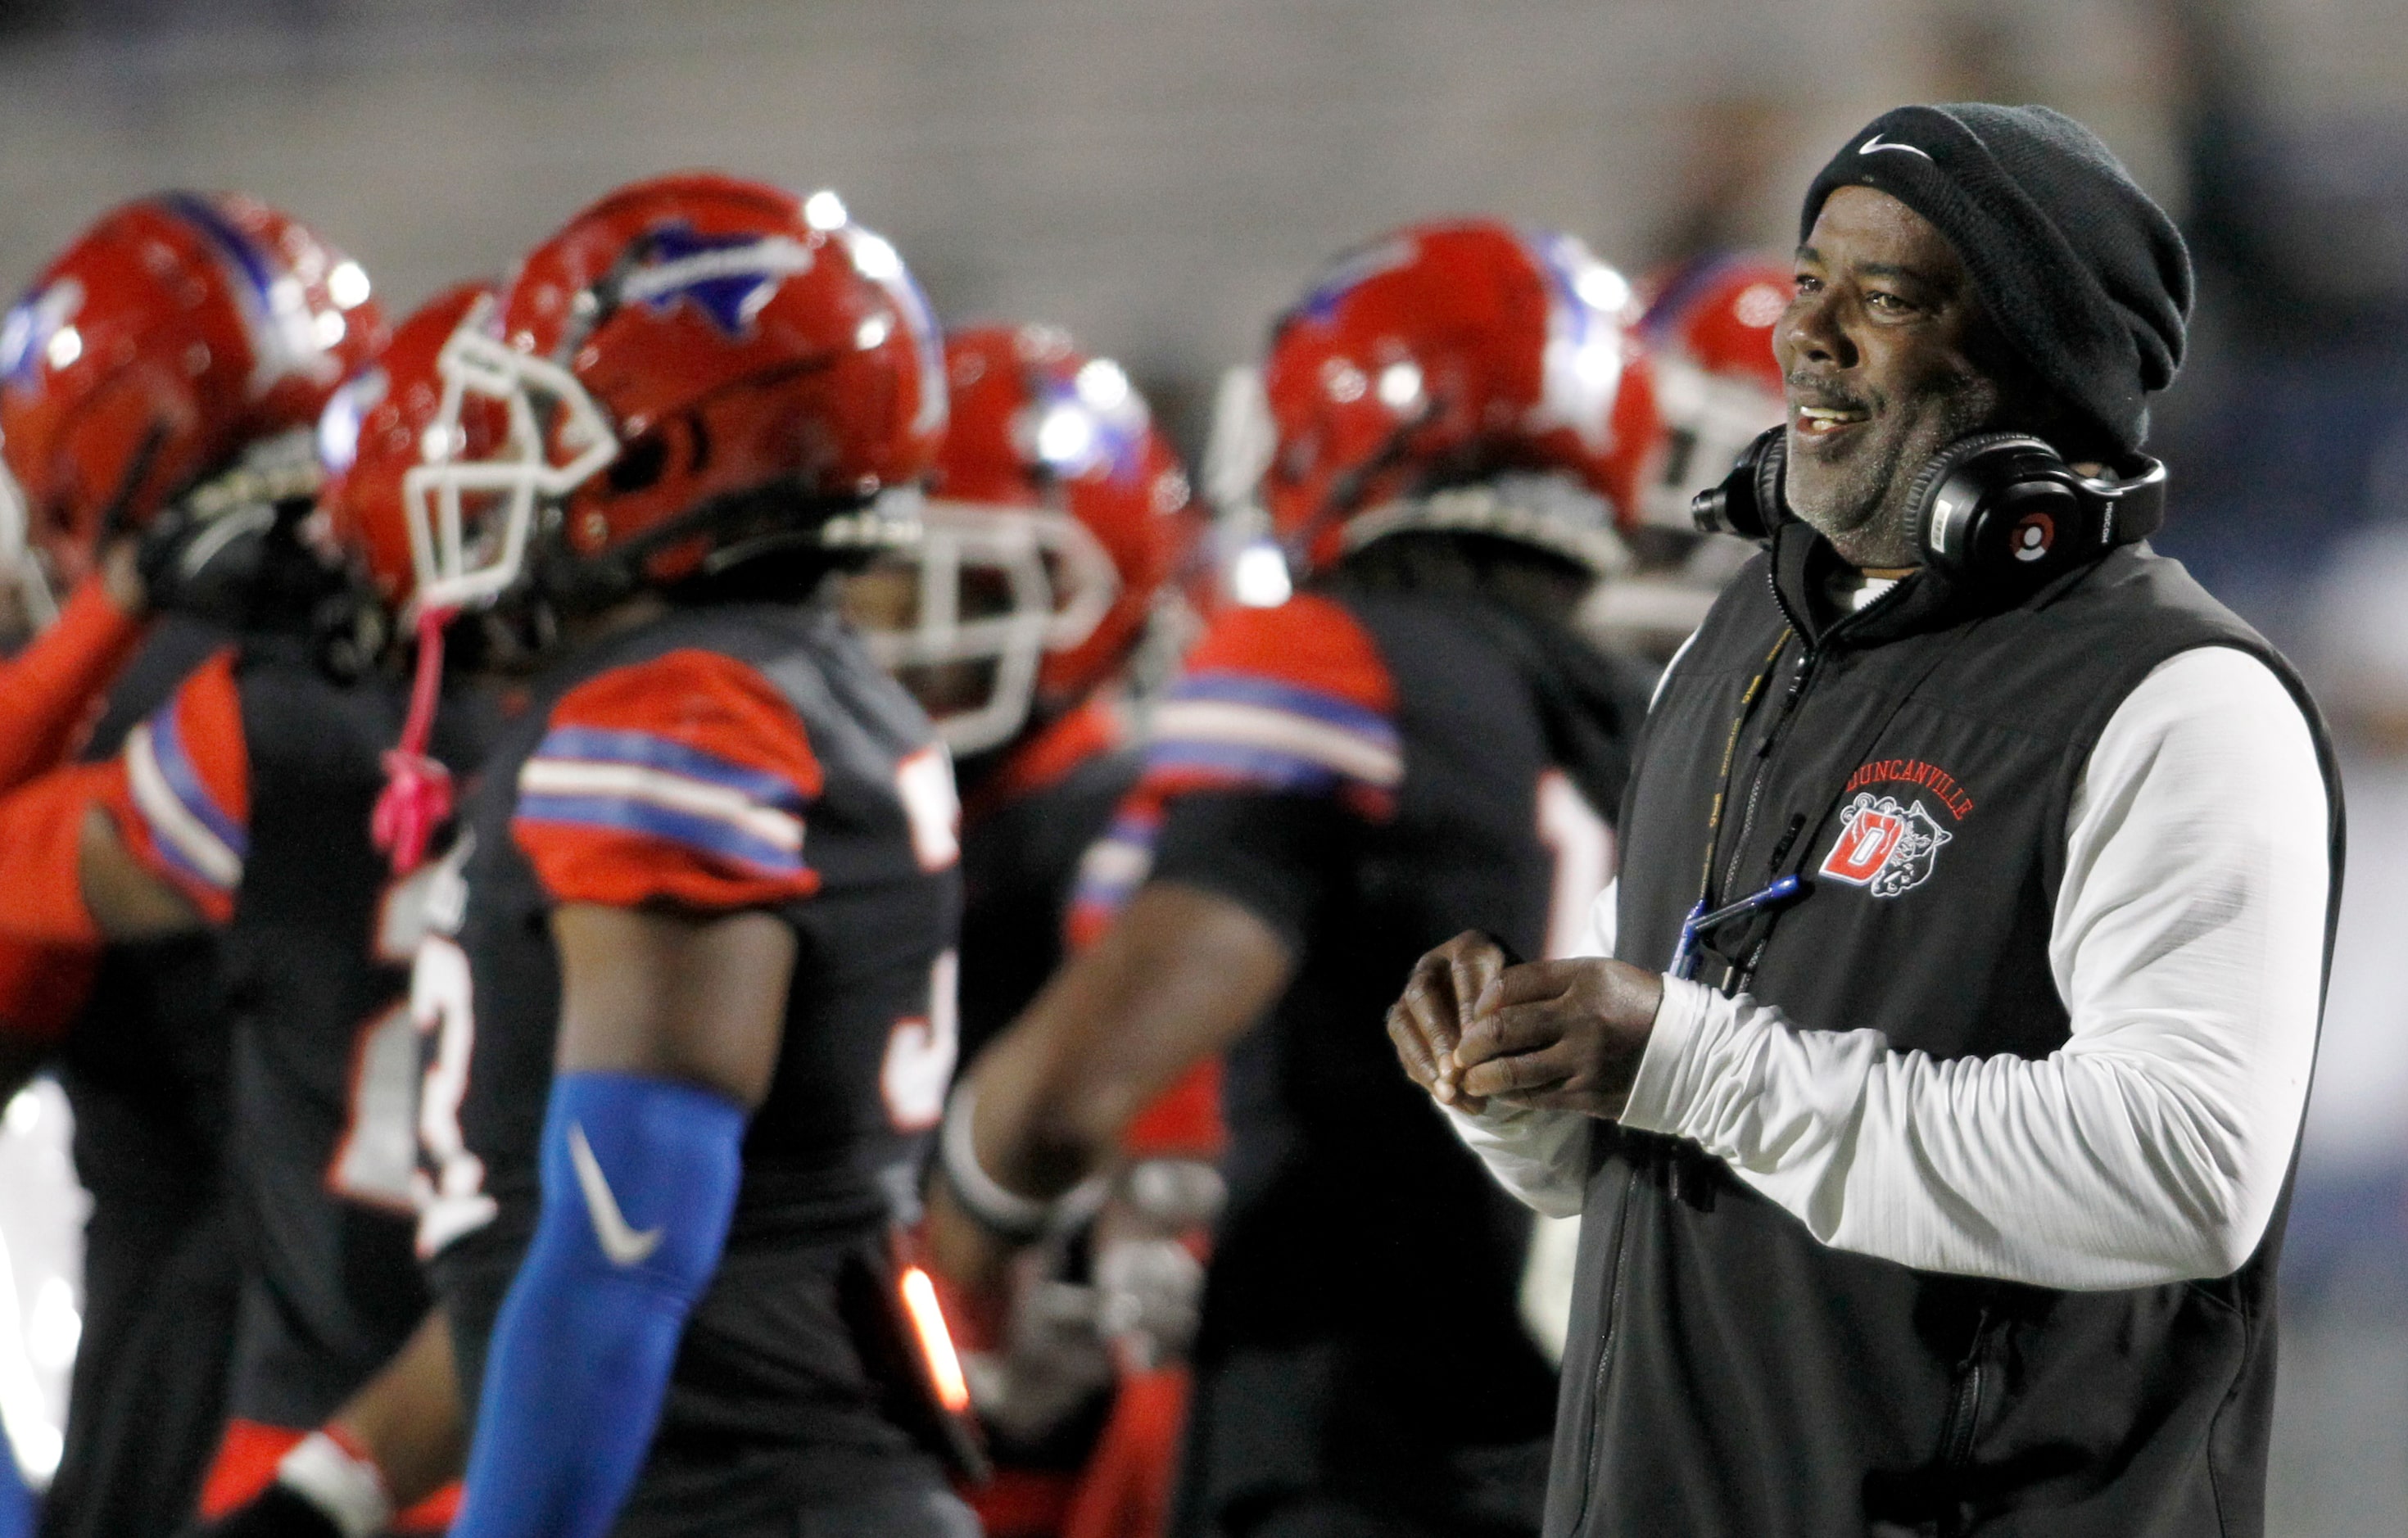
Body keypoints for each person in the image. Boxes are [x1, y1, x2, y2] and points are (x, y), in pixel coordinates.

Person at [1386, 104, 2342, 1536]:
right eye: (1810, 278)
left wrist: (1691, 1061)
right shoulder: (1737, 645)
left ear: (2038, 369)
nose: (1805, 334)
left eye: (1887, 298)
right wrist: (1521, 1086)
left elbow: (2183, 1166)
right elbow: (1651, 1113)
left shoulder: (2183, 702)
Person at [928, 219, 1656, 1538]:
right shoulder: (1663, 712)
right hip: (1603, 1457)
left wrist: (961, 1236)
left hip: (1353, 1452)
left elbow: (1070, 1100)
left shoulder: (1333, 653)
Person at [393, 173, 979, 1538]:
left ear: (670, 449)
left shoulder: (681, 710)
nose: (509, 458)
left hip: (734, 1495)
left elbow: (622, 1239)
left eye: (551, 416)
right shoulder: (812, 687)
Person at [0, 283, 511, 1538]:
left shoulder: (239, 713)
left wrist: (116, 604)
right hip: (542, 1405)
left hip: (256, 1402)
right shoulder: (653, 730)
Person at [846, 321, 1212, 1538]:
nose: (892, 637)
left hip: (1050, 1440)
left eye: (944, 591)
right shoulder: (903, 807)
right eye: (872, 587)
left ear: (1082, 588)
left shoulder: (1120, 826)